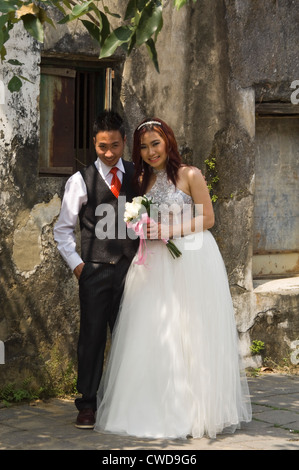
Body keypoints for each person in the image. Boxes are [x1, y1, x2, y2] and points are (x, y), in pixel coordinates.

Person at [94, 117, 252, 439]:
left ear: (168, 142)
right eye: (144, 146)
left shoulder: (190, 175)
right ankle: (150, 407)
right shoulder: (140, 180)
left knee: (190, 330)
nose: (151, 151)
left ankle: (195, 409)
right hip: (152, 262)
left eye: (156, 143)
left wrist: (168, 230)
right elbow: (135, 218)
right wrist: (142, 226)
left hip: (190, 259)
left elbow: (207, 218)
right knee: (153, 331)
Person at [54, 111, 139, 429]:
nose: (109, 153)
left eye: (115, 145)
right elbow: (62, 230)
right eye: (102, 146)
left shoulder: (137, 175)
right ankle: (87, 404)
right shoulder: (80, 180)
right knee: (91, 338)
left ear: (124, 141)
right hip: (94, 271)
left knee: (130, 336)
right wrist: (78, 267)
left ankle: (125, 400)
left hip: (131, 271)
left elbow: (148, 223)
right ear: (94, 143)